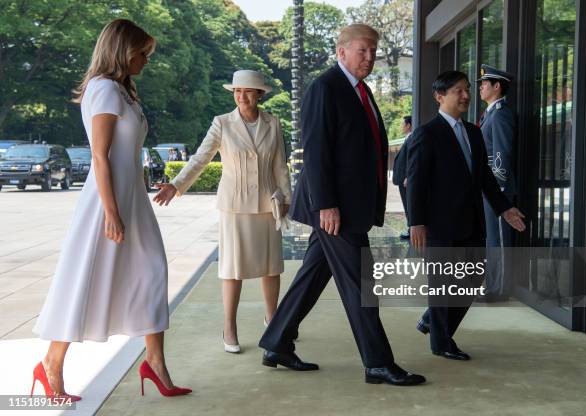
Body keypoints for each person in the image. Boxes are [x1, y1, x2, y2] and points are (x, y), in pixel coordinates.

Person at [258, 24, 426, 387]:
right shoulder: (326, 87)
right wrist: (327, 204)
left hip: (348, 207)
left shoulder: (361, 91)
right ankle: (378, 363)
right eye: (362, 50)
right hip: (337, 210)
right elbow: (316, 150)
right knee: (360, 284)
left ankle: (277, 343)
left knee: (313, 276)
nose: (369, 58)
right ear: (342, 51)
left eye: (373, 51)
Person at [32, 19, 191, 399]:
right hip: (108, 202)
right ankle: (51, 364)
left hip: (130, 199)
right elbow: (100, 157)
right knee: (83, 280)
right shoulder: (104, 90)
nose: (146, 61)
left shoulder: (124, 92)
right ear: (123, 52)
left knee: (153, 272)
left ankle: (155, 363)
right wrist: (111, 212)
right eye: (142, 54)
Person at [154, 70, 291, 354]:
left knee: (271, 266)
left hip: (268, 203)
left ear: (259, 94)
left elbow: (280, 165)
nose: (242, 96)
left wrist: (287, 198)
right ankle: (229, 326)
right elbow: (201, 158)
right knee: (232, 267)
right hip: (234, 205)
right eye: (237, 91)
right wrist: (177, 185)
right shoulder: (222, 123)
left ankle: (273, 319)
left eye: (248, 91)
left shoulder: (273, 123)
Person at [407, 70, 526, 361]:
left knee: (472, 279)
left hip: (473, 221)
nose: (465, 96)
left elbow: (484, 177)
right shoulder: (427, 133)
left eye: (466, 90)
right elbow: (416, 181)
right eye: (458, 91)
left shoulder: (473, 131)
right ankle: (441, 340)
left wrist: (505, 208)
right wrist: (416, 223)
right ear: (440, 96)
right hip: (440, 224)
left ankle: (438, 328)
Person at [477, 64, 517, 302]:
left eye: (484, 83)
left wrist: (498, 192)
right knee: (491, 239)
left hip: (497, 189)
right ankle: (493, 284)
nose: (481, 87)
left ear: (497, 86)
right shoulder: (491, 113)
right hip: (488, 187)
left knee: (499, 241)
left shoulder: (501, 114)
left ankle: (500, 289)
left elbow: (502, 152)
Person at [391, 115, 413, 240]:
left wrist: (408, 176)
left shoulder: (412, 138)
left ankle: (411, 229)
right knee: (406, 205)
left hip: (406, 180)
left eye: (402, 124)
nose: (401, 127)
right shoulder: (407, 138)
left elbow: (412, 159)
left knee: (409, 204)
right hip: (403, 179)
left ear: (408, 125)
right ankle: (410, 228)